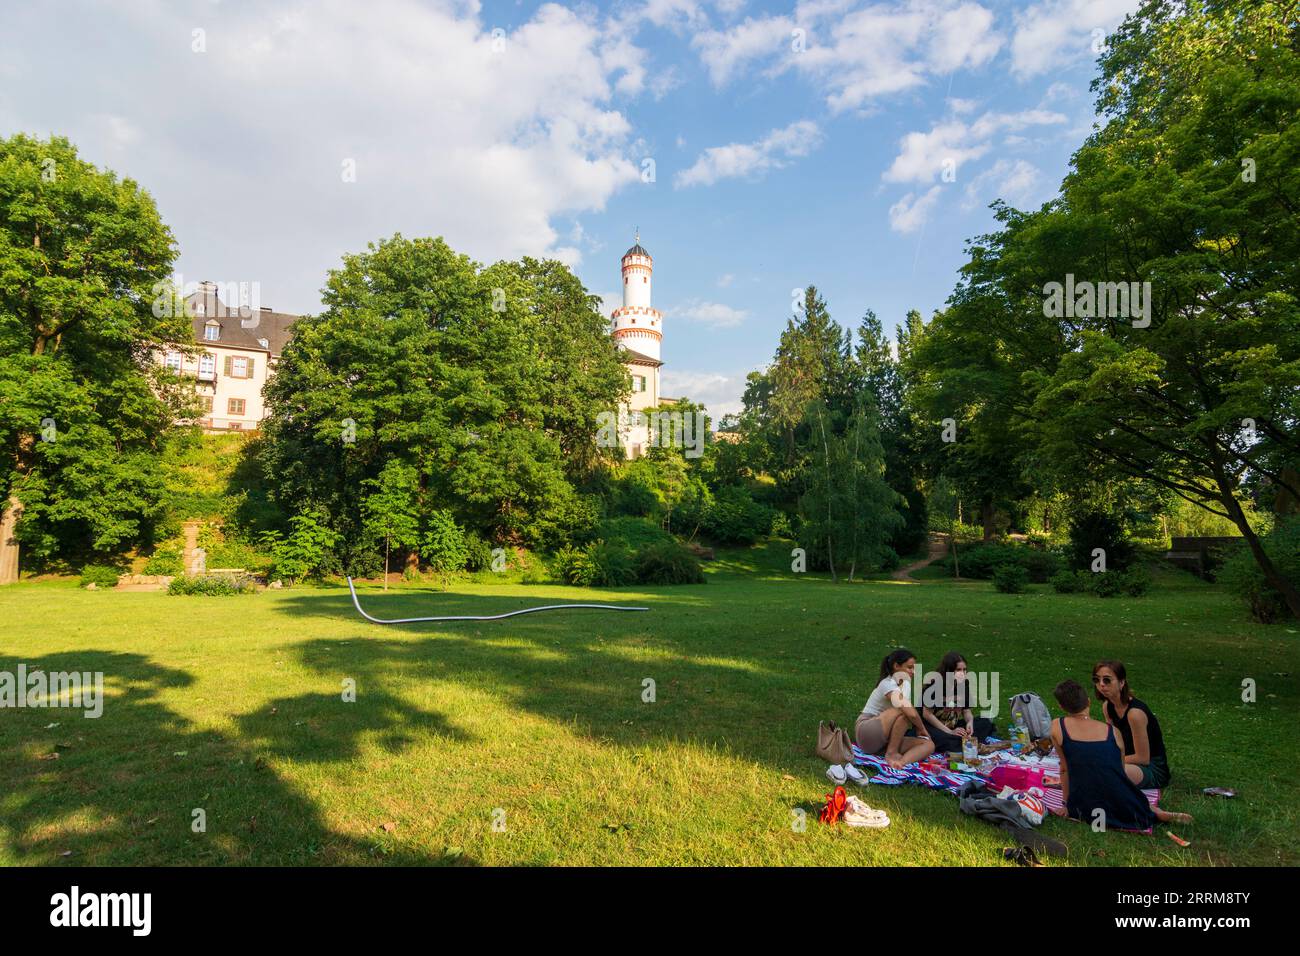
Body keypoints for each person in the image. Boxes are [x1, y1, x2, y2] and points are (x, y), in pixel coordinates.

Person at [1048, 679, 1190, 829]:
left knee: (1093, 792)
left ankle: (1149, 810)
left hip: (1084, 798)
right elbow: (1120, 769)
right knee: (1126, 795)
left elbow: (1064, 769)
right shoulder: (1112, 731)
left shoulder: (1057, 726)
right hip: (1116, 793)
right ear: (1088, 702)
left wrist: (1066, 804)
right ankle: (1153, 810)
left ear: (1061, 706)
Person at [1093, 660, 1170, 790]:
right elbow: (1114, 741)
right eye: (1097, 680)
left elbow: (1143, 758)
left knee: (1106, 772)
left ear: (1121, 682)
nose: (1101, 685)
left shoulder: (1135, 713)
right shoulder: (1107, 706)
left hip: (1150, 767)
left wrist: (1110, 760)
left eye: (1107, 680)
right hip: (1126, 760)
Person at [855, 648, 935, 769]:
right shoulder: (887, 683)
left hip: (885, 739)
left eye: (914, 668)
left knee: (929, 745)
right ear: (896, 666)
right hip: (867, 733)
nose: (913, 672)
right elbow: (910, 713)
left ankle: (900, 762)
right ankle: (891, 753)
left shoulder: (906, 684)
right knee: (904, 710)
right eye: (909, 667)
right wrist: (921, 729)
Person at [920, 651, 996, 754]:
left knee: (985, 722)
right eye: (958, 670)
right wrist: (950, 732)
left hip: (952, 725)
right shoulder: (934, 685)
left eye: (964, 670)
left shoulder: (963, 684)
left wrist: (970, 723)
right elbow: (927, 714)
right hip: (933, 727)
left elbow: (966, 711)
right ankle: (967, 744)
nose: (963, 673)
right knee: (944, 739)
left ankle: (963, 742)